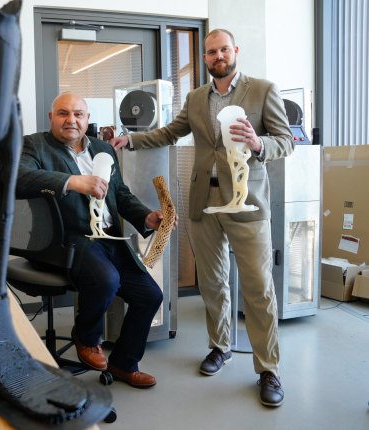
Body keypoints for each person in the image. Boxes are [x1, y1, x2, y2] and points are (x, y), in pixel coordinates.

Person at [110, 28, 293, 407]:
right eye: (211, 52)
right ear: (206, 58)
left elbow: (286, 140)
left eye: (223, 49)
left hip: (247, 203)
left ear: (235, 51)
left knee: (259, 289)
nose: (217, 56)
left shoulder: (262, 90)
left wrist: (259, 144)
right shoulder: (195, 98)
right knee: (212, 283)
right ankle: (219, 347)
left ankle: (268, 369)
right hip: (203, 203)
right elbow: (171, 132)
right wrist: (130, 140)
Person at [17, 92, 168, 388]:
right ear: (51, 118)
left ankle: (124, 364)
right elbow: (18, 179)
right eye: (63, 113)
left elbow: (120, 194)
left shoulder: (103, 149)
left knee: (150, 295)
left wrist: (145, 217)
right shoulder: (34, 145)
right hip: (66, 239)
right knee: (106, 280)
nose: (71, 120)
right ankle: (86, 337)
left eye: (78, 114)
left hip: (109, 238)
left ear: (87, 119)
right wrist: (72, 182)